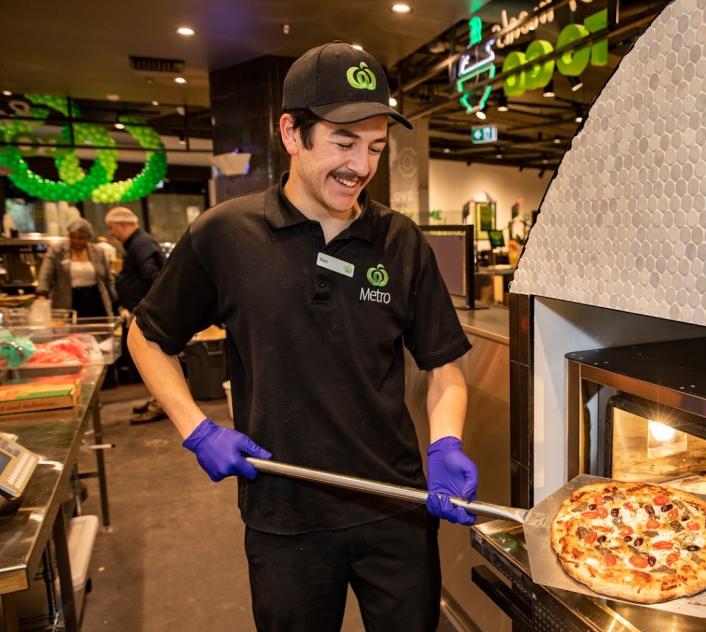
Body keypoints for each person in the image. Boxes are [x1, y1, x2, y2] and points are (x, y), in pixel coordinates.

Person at [127, 41, 477, 632]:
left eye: (375, 147)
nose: (361, 166)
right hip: (284, 515)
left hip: (393, 508)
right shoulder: (225, 234)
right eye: (343, 143)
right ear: (292, 133)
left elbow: (443, 367)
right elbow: (148, 334)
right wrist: (197, 428)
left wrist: (444, 443)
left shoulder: (401, 241)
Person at [105, 206, 166, 422]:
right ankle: (157, 400)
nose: (110, 232)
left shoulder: (141, 243)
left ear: (124, 224)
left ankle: (161, 405)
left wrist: (149, 310)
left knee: (155, 360)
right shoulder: (136, 243)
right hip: (141, 310)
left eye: (111, 228)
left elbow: (153, 277)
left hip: (147, 313)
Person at [36, 218, 116, 317]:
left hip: (95, 299)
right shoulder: (57, 251)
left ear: (88, 238)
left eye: (81, 238)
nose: (76, 241)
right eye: (72, 237)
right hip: (68, 300)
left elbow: (108, 279)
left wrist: (116, 300)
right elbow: (45, 274)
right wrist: (42, 293)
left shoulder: (98, 251)